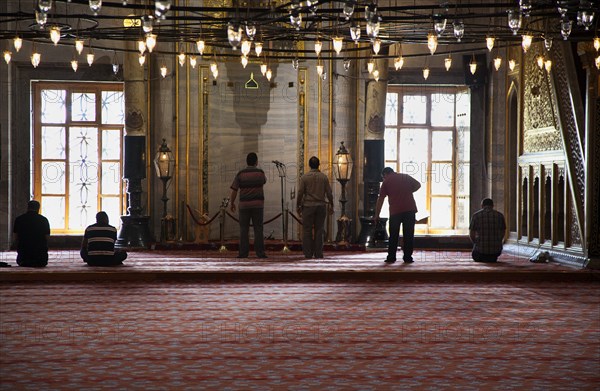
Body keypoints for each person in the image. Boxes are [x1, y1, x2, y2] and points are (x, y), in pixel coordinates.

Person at [374, 167, 421, 264]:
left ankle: (391, 257)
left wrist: (376, 215)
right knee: (408, 234)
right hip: (410, 209)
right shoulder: (405, 177)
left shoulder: (386, 181)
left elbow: (381, 199)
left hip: (395, 212)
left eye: (383, 177)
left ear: (385, 175)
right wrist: (408, 190)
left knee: (394, 235)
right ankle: (408, 257)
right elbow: (418, 185)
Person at [229, 152, 268, 258]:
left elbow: (235, 190)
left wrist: (232, 203)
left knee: (243, 230)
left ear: (247, 162)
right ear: (256, 161)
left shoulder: (240, 174)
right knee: (258, 229)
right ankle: (260, 253)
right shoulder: (260, 173)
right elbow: (264, 181)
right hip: (258, 206)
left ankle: (243, 253)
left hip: (244, 206)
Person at [296, 156, 334, 259]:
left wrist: (298, 205)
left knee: (307, 230)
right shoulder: (324, 177)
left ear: (309, 165)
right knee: (319, 230)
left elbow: (300, 193)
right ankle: (318, 253)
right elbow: (329, 193)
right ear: (319, 164)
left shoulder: (304, 177)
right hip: (321, 206)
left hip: (308, 206)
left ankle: (308, 254)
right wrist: (331, 204)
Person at [12, 200, 50, 267]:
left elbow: (15, 237)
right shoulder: (43, 220)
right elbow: (47, 237)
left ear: (28, 208)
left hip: (23, 260)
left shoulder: (19, 219)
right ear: (38, 208)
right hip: (40, 260)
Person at [469, 198, 506, 262]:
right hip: (495, 251)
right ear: (492, 205)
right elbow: (503, 232)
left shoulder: (476, 216)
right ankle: (490, 258)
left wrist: (476, 243)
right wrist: (498, 241)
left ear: (482, 205)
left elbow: (471, 234)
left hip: (480, 251)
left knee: (475, 254)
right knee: (492, 256)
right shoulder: (500, 216)